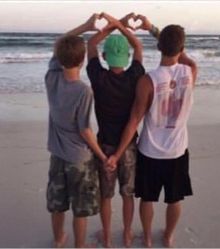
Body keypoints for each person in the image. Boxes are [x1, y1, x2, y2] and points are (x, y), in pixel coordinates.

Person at [107, 24, 197, 248]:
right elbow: (182, 54)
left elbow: (134, 120)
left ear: (158, 47)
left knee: (148, 198)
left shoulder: (148, 80)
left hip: (150, 151)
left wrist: (117, 154)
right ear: (182, 47)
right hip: (177, 149)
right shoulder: (190, 71)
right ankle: (167, 235)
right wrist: (152, 28)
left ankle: (147, 238)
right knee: (175, 198)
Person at [45, 14, 107, 248]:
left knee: (58, 203)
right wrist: (102, 156)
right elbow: (85, 131)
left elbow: (60, 41)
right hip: (79, 159)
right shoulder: (84, 91)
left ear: (60, 60)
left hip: (57, 155)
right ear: (82, 61)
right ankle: (79, 246)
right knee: (80, 208)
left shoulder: (52, 77)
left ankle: (59, 238)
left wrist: (86, 26)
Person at [86, 12, 147, 248]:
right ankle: (128, 233)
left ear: (104, 56)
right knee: (127, 194)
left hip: (104, 146)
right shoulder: (135, 75)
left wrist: (112, 24)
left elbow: (90, 43)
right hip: (128, 146)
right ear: (128, 56)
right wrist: (121, 24)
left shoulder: (98, 77)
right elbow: (139, 44)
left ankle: (108, 236)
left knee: (106, 195)